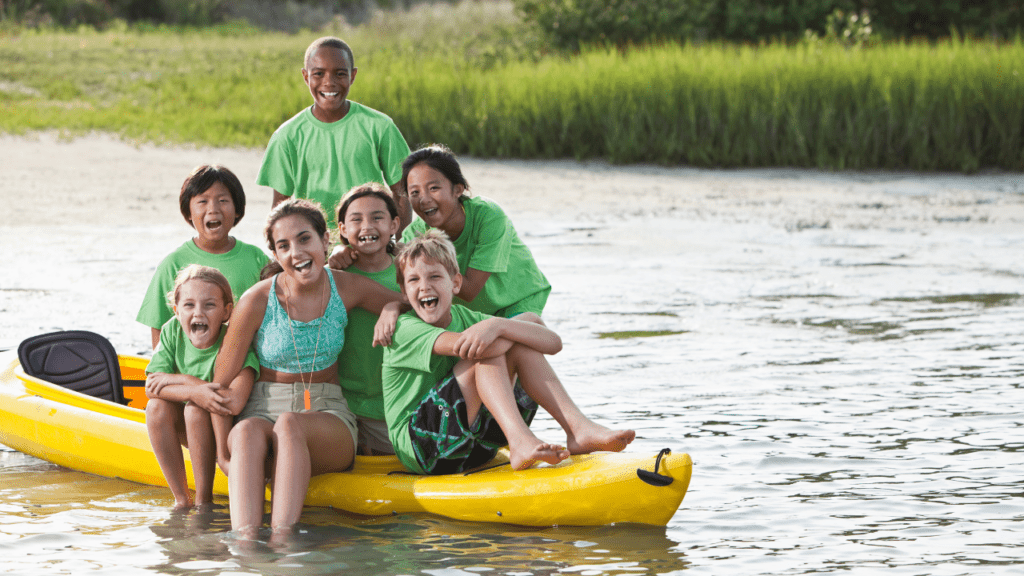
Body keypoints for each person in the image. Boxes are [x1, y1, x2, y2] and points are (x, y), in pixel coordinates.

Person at [212, 198, 404, 539]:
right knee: (244, 433)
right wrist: (221, 454)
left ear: (324, 241)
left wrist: (390, 308)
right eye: (283, 246)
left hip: (327, 412)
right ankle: (244, 545)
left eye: (304, 239)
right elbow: (220, 384)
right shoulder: (256, 300)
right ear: (275, 254)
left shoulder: (344, 286)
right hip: (260, 406)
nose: (296, 252)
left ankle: (283, 542)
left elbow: (406, 302)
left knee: (289, 425)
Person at [382, 229, 635, 474]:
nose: (424, 286)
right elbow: (481, 347)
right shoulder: (404, 328)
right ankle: (520, 441)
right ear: (404, 292)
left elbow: (553, 343)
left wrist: (500, 324)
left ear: (455, 283)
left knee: (517, 343)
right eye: (414, 280)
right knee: (490, 349)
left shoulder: (468, 318)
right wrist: (515, 326)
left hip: (477, 446)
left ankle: (577, 429)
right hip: (424, 448)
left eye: (435, 277)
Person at [256, 36, 412, 231]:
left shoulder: (380, 126)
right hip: (316, 245)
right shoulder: (287, 136)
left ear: (352, 76)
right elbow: (280, 207)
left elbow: (402, 193)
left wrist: (399, 245)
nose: (329, 82)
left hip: (370, 239)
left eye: (339, 74)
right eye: (319, 73)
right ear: (306, 77)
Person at [145, 264, 259, 510]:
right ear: (176, 311)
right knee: (155, 407)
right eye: (188, 305)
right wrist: (193, 389)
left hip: (225, 433)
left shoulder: (233, 341)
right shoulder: (172, 331)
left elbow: (235, 401)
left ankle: (203, 500)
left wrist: (188, 386)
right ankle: (182, 499)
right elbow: (152, 385)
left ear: (227, 311)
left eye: (209, 305)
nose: (198, 313)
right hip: (186, 429)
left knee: (194, 410)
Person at [400, 144, 551, 318]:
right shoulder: (414, 234)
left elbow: (469, 290)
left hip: (517, 300)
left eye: (434, 188)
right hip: (473, 311)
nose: (424, 199)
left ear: (458, 189)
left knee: (501, 341)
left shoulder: (488, 216)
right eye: (414, 192)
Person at [137, 164, 269, 349]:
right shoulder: (173, 264)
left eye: (223, 200)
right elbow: (159, 329)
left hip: (243, 367)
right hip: (189, 370)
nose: (213, 209)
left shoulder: (256, 259)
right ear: (188, 212)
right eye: (202, 201)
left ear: (237, 209)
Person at [335, 183, 403, 455]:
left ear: (394, 224)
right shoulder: (331, 275)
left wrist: (393, 306)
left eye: (377, 218)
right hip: (341, 405)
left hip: (390, 407)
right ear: (341, 229)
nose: (367, 226)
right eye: (356, 219)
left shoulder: (411, 271)